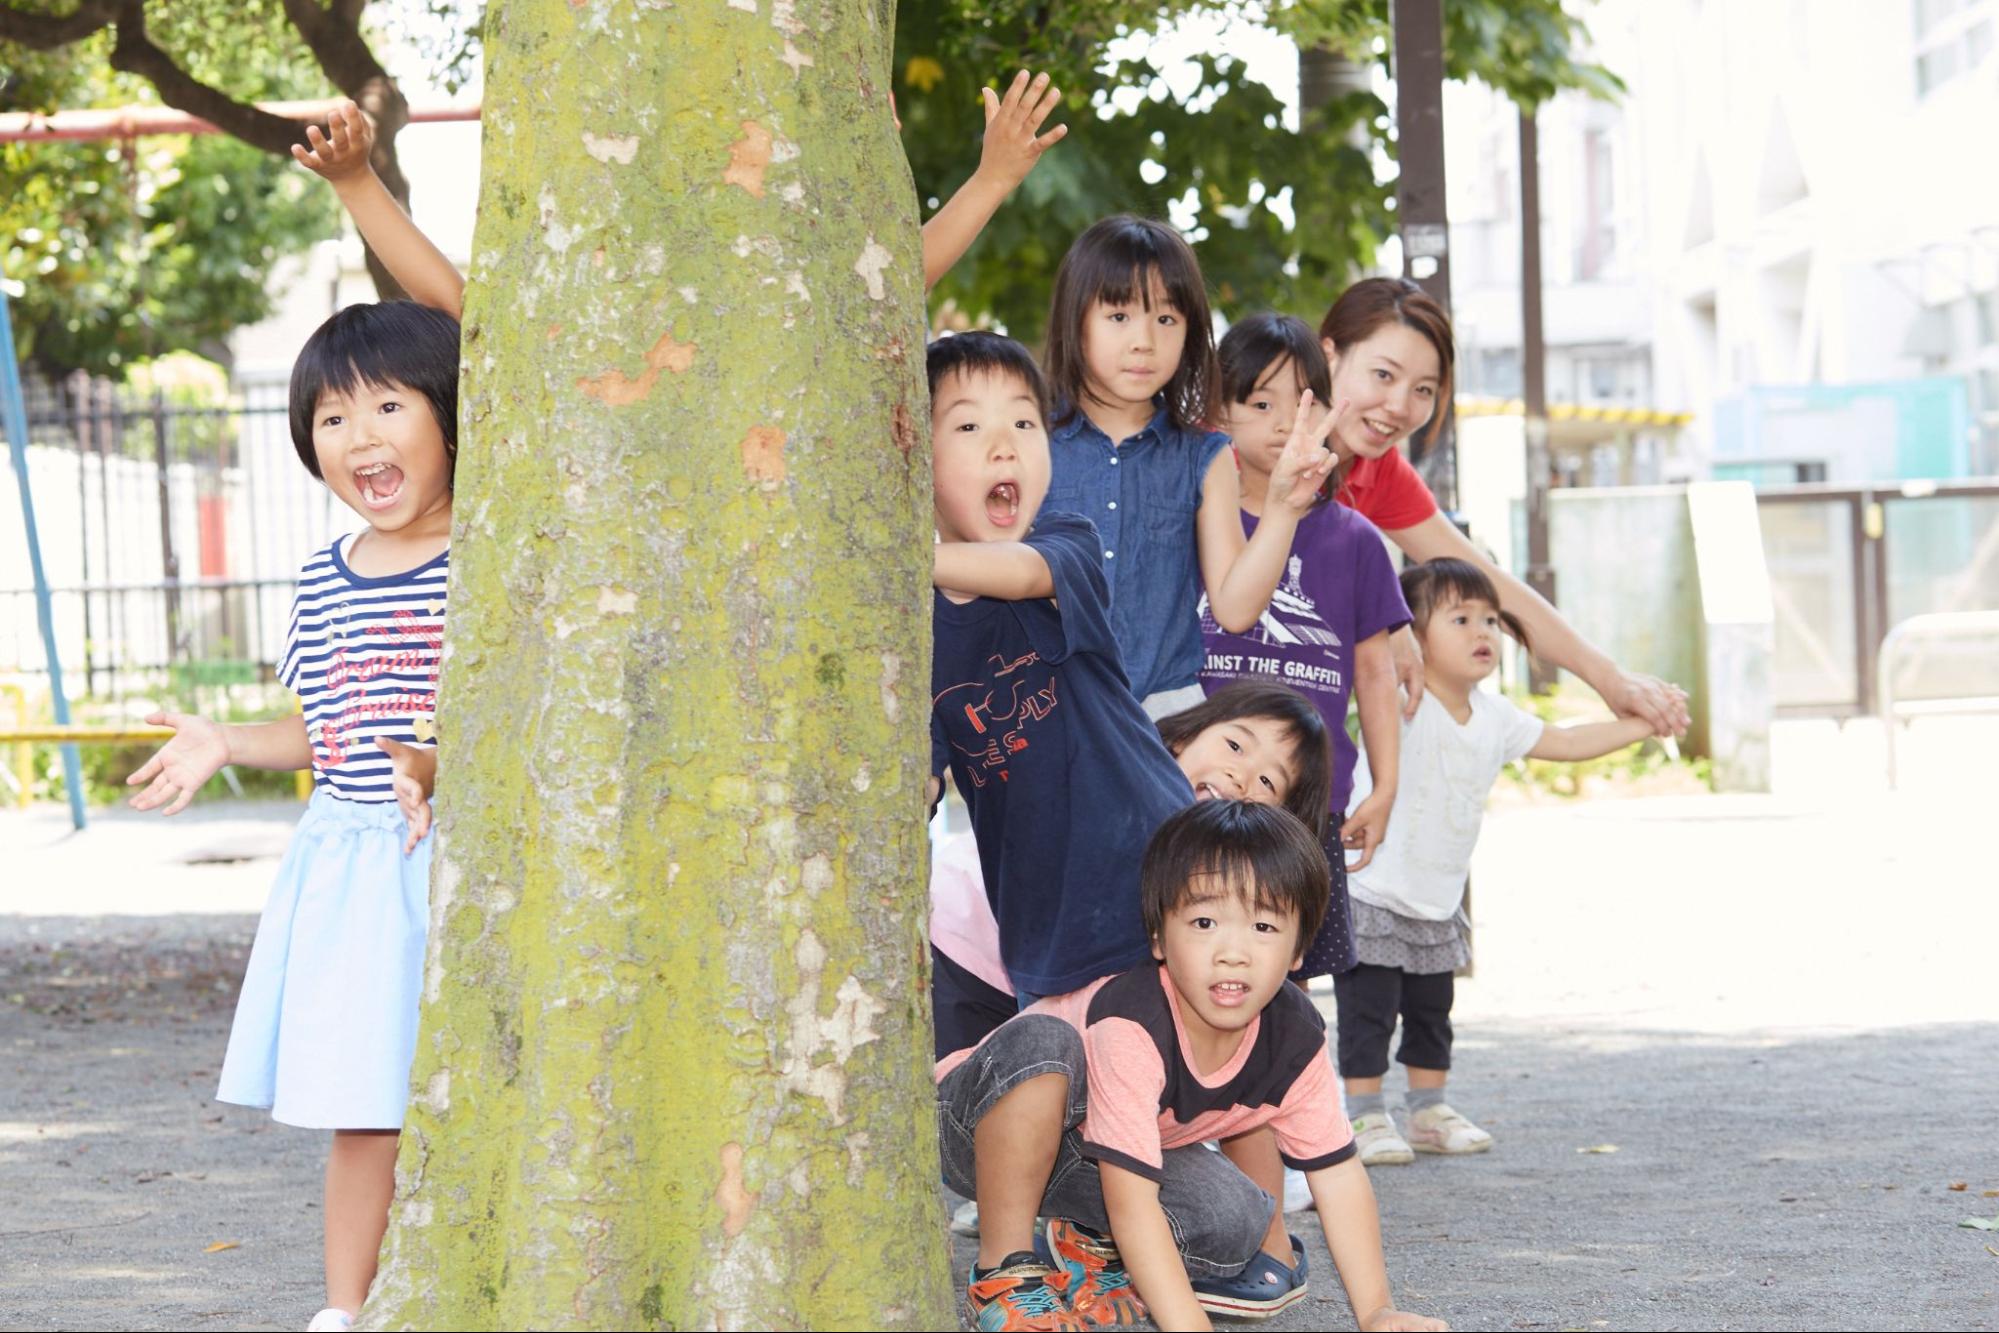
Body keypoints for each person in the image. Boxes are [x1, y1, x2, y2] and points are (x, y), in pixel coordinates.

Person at [125, 300, 460, 1333]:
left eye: (387, 405)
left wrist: (441, 759)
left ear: (453, 416)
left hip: (460, 860)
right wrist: (228, 739)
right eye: (329, 418)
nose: (358, 435)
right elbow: (324, 727)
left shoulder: (498, 557)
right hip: (356, 867)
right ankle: (346, 1309)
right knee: (367, 1106)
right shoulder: (323, 578)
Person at [935, 800, 1449, 1333]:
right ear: (1159, 937)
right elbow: (1134, 1201)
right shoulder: (1132, 1018)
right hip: (974, 1126)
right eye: (1204, 922)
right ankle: (1006, 1268)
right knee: (1046, 1040)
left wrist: (1377, 1311)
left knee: (1238, 1216)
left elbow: (1338, 1174)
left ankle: (1089, 1240)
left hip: (1082, 1155)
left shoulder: (1295, 1037)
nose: (1233, 951)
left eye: (1264, 926)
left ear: (1300, 948)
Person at [1339, 559, 1678, 1166]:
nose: (1483, 633)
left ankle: (1428, 1111)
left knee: (1430, 1010)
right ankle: (1364, 1114)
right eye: (1461, 618)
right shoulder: (1397, 698)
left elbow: (1568, 743)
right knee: (1369, 1010)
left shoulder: (1496, 717)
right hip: (1375, 888)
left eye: (1491, 621)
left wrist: (1639, 725)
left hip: (1438, 896)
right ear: (1411, 634)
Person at [294, 70, 1067, 319]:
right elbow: (463, 305)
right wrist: (357, 183)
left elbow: (897, 276)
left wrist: (992, 178)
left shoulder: (789, 281)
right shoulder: (589, 289)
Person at [1310, 277, 1689, 737]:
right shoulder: (1253, 435)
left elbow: (1491, 586)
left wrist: (1610, 679)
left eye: (1424, 390)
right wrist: (1385, 619)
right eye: (1384, 375)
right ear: (1329, 354)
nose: (1398, 406)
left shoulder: (1381, 473)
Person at [929, 679, 1336, 1059]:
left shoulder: (1224, 882)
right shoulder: (1122, 784)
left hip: (1050, 1002)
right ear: (1183, 737)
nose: (1241, 775)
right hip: (964, 944)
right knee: (947, 1110)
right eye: (1234, 746)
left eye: (1267, 781)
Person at [1040, 215, 1340, 716]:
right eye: (1119, 317)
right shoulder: (1031, 439)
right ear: (1076, 321)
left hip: (1163, 717)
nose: (1144, 341)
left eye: (1166, 319)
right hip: (1043, 710)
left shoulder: (1205, 454)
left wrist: (1285, 507)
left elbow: (1236, 607)